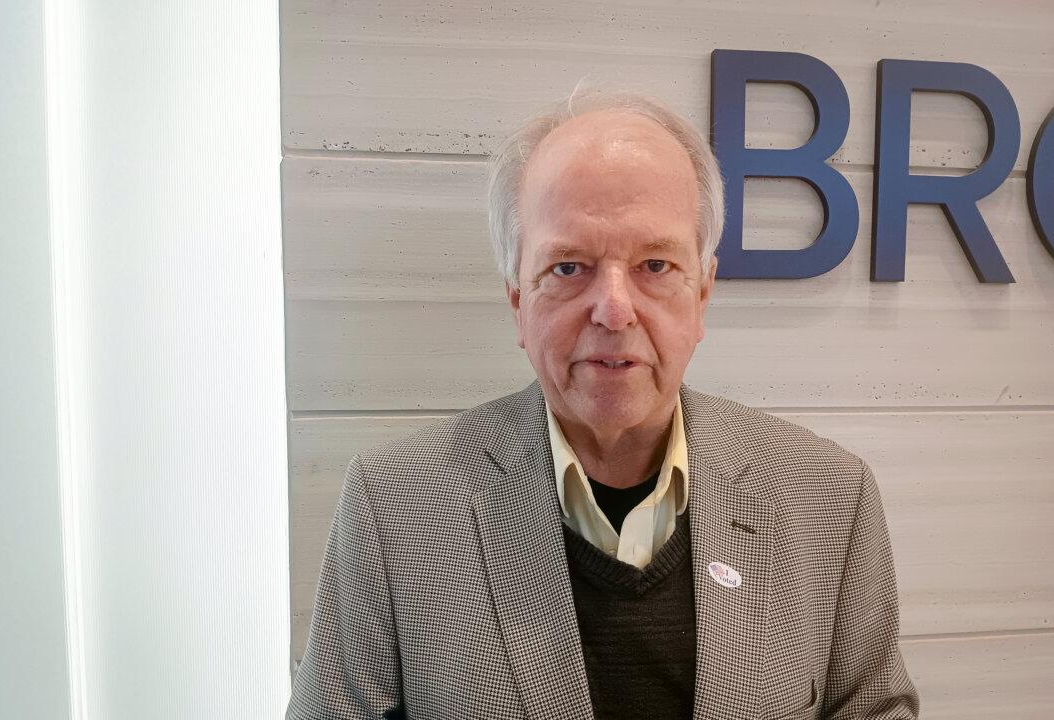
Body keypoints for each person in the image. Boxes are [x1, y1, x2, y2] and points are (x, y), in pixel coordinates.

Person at [285, 85, 920, 720]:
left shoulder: (828, 498)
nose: (614, 309)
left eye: (655, 265)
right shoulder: (394, 507)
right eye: (568, 268)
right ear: (518, 301)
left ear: (702, 294)